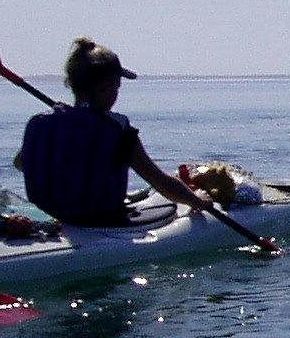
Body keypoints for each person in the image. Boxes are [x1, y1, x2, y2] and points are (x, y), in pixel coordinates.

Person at [14, 38, 210, 226]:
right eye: (116, 87)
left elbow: (21, 163)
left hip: (53, 219)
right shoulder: (117, 129)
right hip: (102, 221)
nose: (117, 93)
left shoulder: (41, 122)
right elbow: (160, 181)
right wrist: (197, 201)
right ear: (102, 88)